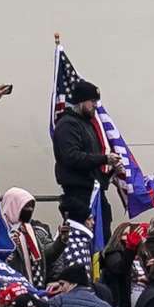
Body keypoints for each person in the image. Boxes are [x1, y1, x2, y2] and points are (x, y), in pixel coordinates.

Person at [51, 78, 112, 223]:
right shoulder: (67, 125)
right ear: (81, 101)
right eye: (93, 101)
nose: (96, 106)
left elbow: (91, 163)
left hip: (95, 193)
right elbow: (71, 157)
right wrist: (104, 159)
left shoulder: (89, 125)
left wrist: (111, 171)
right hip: (78, 196)